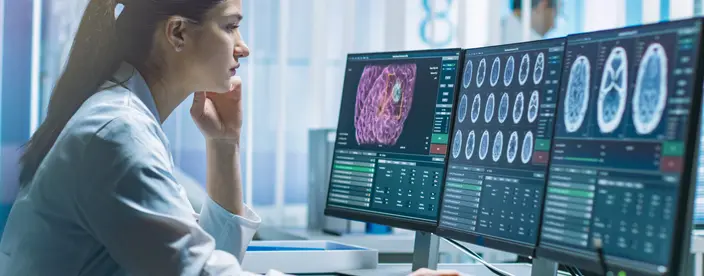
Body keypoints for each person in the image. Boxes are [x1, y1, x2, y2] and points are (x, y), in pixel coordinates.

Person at [0, 0, 463, 275]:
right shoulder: (116, 135)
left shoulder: (122, 119)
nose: (243, 46)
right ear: (178, 32)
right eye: (231, 25)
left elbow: (204, 259)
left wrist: (224, 146)